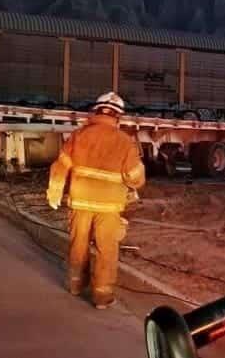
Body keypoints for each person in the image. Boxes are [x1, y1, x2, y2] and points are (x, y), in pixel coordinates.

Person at [47, 91, 146, 309]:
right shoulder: (125, 142)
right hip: (109, 207)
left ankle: (75, 285)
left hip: (80, 202)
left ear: (96, 111)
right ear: (118, 116)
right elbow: (135, 178)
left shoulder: (79, 135)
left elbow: (61, 166)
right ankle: (102, 297)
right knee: (106, 249)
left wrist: (54, 192)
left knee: (78, 245)